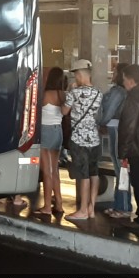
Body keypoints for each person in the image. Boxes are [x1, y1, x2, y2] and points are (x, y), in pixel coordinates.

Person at [61, 59, 102, 221]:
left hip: (79, 139)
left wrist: (70, 91)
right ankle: (91, 207)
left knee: (83, 175)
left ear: (79, 74)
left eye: (75, 75)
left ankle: (83, 210)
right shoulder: (99, 93)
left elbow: (64, 112)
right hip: (94, 139)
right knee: (94, 172)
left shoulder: (75, 93)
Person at [118, 64, 139, 228]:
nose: (123, 83)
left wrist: (122, 152)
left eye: (124, 79)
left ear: (131, 81)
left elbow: (128, 127)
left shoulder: (133, 98)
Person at [99, 63, 131, 219]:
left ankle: (124, 206)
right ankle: (119, 204)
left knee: (121, 169)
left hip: (116, 129)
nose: (112, 73)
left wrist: (101, 122)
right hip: (116, 128)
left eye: (115, 71)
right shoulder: (124, 91)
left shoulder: (118, 92)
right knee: (120, 169)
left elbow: (109, 111)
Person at [34, 67, 66, 216]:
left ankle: (47, 206)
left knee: (47, 172)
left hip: (46, 132)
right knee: (55, 171)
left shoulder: (45, 95)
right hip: (58, 132)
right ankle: (58, 203)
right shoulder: (62, 95)